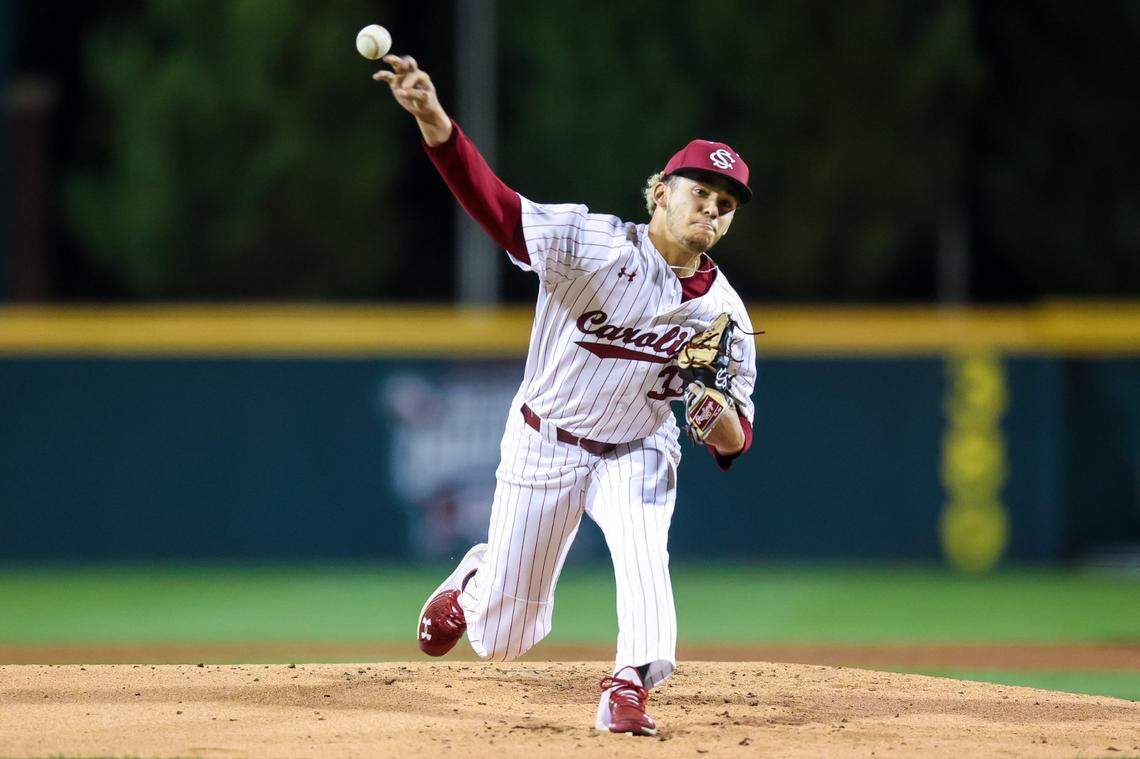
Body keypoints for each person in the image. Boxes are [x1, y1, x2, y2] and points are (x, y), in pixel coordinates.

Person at [374, 53, 757, 737]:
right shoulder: (589, 243)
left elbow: (737, 439)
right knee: (504, 636)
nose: (713, 208)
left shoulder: (724, 316)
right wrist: (435, 122)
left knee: (643, 546)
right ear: (661, 191)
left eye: (724, 204)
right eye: (701, 190)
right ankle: (475, 580)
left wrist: (718, 415)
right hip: (544, 438)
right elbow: (495, 206)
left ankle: (629, 685)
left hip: (637, 445)